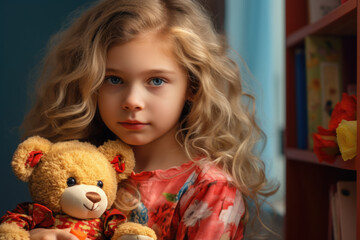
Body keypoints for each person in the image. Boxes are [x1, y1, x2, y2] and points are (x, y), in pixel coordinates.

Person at [21, 0, 277, 239]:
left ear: (193, 85)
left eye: (156, 80)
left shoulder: (211, 191)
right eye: (114, 79)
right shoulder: (77, 167)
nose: (132, 101)